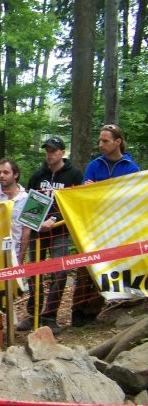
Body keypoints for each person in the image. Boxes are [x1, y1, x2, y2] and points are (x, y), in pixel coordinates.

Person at [73, 124, 141, 326]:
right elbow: (84, 195)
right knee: (85, 268)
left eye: (105, 141)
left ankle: (92, 313)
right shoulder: (95, 165)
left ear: (118, 142)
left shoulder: (131, 167)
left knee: (105, 269)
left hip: (117, 228)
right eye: (100, 140)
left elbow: (131, 199)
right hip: (92, 226)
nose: (100, 144)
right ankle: (77, 313)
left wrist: (101, 191)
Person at [17, 136, 83, 335]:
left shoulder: (74, 174)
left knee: (59, 271)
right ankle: (33, 313)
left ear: (62, 152)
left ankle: (50, 315)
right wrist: (32, 224)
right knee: (34, 271)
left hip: (60, 231)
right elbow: (29, 203)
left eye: (53, 151)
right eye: (47, 150)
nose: (49, 154)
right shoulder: (38, 175)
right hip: (38, 231)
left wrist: (53, 220)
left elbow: (75, 202)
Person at [0, 158, 30, 265]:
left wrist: (20, 259)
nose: (1, 175)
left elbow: (26, 231)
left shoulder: (26, 198)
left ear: (15, 175)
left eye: (6, 172)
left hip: (15, 253)